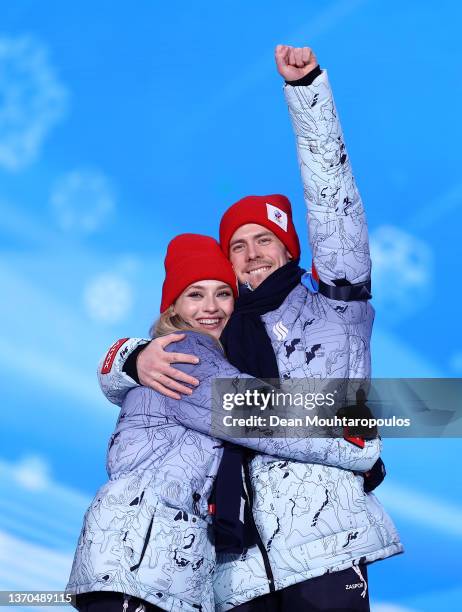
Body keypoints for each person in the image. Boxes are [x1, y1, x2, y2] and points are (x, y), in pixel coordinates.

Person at [96, 45, 403, 611]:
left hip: (322, 542)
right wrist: (131, 357)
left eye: (265, 239)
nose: (252, 252)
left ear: (291, 249)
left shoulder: (336, 307)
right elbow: (162, 388)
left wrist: (307, 91)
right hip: (233, 565)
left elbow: (334, 207)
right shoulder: (212, 331)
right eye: (237, 245)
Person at [67, 234, 380, 612]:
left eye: (222, 293)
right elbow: (256, 412)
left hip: (166, 567)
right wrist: (357, 445)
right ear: (174, 308)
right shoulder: (183, 353)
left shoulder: (213, 359)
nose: (211, 308)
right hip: (137, 560)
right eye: (195, 295)